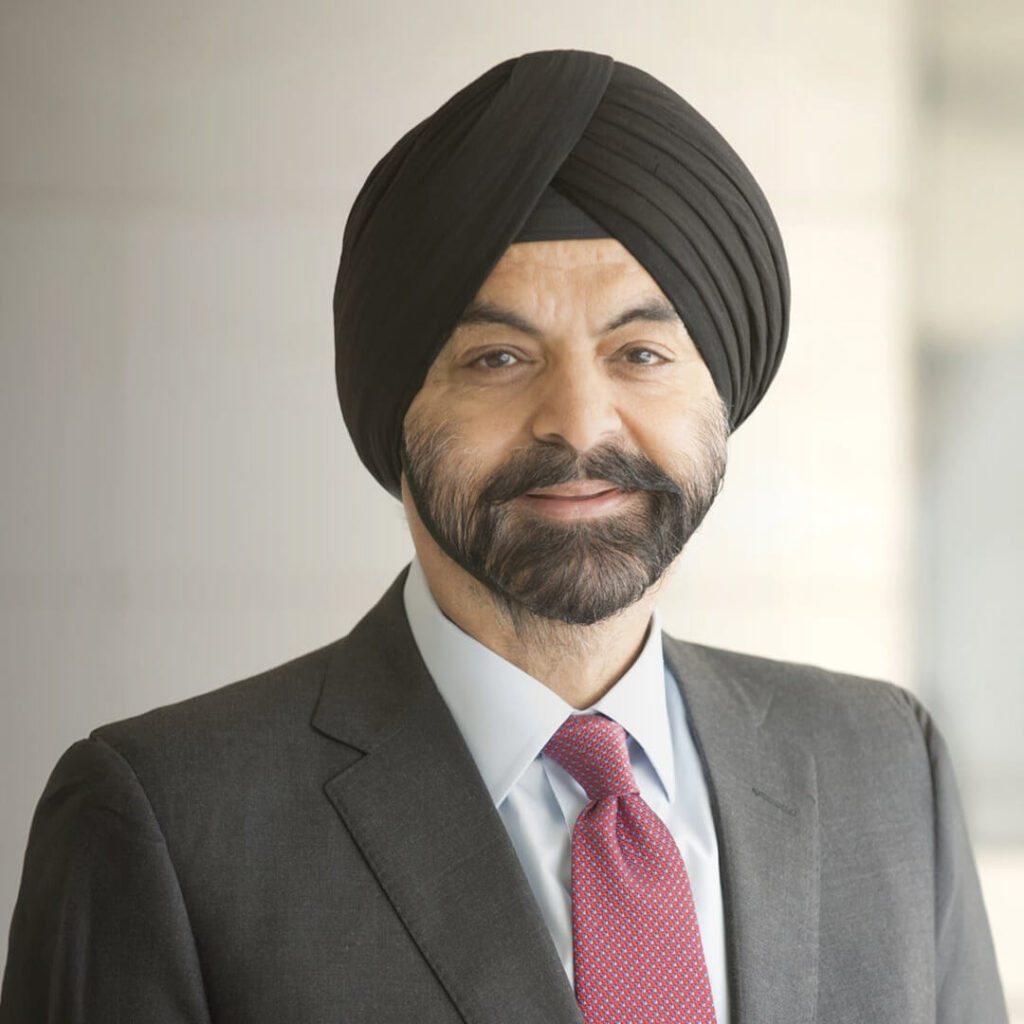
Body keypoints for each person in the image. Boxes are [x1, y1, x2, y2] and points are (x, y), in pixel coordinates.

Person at [0, 49, 1008, 1024]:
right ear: (398, 403)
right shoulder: (165, 827)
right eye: (495, 357)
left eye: (641, 351)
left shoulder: (882, 766)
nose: (578, 421)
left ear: (720, 393)